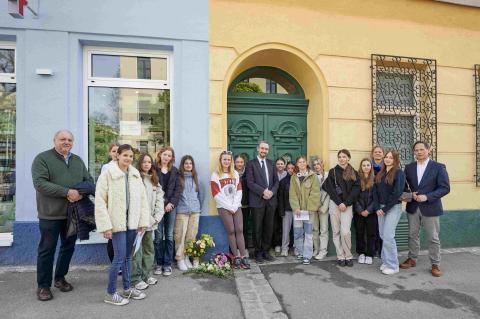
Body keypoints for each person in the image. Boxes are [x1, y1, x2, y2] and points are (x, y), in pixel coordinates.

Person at [32, 130, 93, 301]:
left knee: (68, 248)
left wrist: (80, 193)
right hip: (50, 215)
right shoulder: (42, 159)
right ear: (55, 140)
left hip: (73, 215)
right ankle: (43, 286)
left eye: (70, 140)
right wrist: (67, 192)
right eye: (63, 139)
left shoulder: (77, 160)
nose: (66, 142)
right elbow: (40, 183)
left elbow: (89, 181)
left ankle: (59, 278)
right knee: (46, 250)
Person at [95, 144, 150, 305]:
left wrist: (142, 222)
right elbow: (100, 201)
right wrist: (105, 225)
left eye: (131, 156)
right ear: (117, 155)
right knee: (118, 258)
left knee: (128, 257)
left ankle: (127, 289)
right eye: (125, 155)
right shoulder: (107, 174)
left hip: (132, 223)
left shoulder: (135, 175)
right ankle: (110, 293)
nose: (128, 159)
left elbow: (142, 200)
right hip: (116, 224)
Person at [400, 141, 450, 277]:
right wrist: (411, 195)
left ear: (428, 150)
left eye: (422, 149)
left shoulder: (438, 167)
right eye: (416, 150)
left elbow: (445, 188)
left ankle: (435, 264)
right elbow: (404, 187)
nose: (419, 152)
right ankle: (412, 259)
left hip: (431, 207)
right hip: (413, 207)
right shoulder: (409, 168)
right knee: (412, 235)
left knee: (433, 237)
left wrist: (427, 197)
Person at [211, 151, 250, 269]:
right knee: (231, 231)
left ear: (231, 161)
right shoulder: (215, 175)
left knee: (239, 229)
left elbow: (239, 191)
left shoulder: (235, 174)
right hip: (224, 207)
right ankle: (235, 256)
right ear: (221, 161)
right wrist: (229, 206)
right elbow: (216, 194)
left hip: (236, 206)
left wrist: (235, 205)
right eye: (224, 159)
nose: (226, 162)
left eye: (228, 159)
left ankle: (243, 256)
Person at [132, 153, 165, 290]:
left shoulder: (154, 180)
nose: (147, 164)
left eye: (149, 162)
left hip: (151, 222)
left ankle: (146, 275)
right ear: (139, 163)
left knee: (149, 249)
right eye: (144, 162)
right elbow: (137, 201)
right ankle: (136, 278)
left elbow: (159, 200)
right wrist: (144, 219)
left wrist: (157, 217)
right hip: (139, 223)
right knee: (137, 251)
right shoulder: (135, 178)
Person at [322, 149, 360, 267]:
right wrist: (339, 203)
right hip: (335, 204)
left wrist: (346, 203)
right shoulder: (333, 171)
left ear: (348, 158)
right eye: (340, 156)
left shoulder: (354, 172)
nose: (342, 158)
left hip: (347, 206)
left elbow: (356, 189)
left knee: (345, 232)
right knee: (336, 231)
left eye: (344, 156)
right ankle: (340, 256)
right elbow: (330, 189)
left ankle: (348, 256)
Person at [246, 141, 279, 263]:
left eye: (266, 149)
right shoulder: (251, 164)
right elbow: (250, 183)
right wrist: (263, 192)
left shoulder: (271, 164)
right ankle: (257, 252)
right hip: (257, 201)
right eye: (262, 148)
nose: (264, 151)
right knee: (257, 228)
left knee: (269, 227)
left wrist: (271, 192)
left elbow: (276, 182)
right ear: (258, 149)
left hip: (271, 201)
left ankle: (265, 251)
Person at [373, 150, 405, 275]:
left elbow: (397, 193)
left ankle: (393, 265)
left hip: (393, 208)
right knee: (382, 235)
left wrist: (384, 209)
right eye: (386, 157)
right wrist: (377, 207)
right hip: (380, 208)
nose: (387, 159)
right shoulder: (380, 173)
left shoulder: (399, 173)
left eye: (391, 158)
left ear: (395, 160)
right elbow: (375, 192)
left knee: (388, 236)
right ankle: (386, 262)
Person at [154, 146, 182, 276]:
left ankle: (167, 264)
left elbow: (178, 190)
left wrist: (171, 203)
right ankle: (159, 263)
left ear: (172, 158)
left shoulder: (175, 171)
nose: (166, 157)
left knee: (169, 236)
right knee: (159, 236)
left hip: (171, 207)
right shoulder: (153, 169)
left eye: (169, 155)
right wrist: (162, 204)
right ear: (160, 155)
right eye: (164, 154)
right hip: (157, 207)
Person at [289, 156, 321, 265]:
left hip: (309, 211)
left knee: (308, 233)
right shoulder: (294, 177)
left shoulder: (312, 176)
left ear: (306, 163)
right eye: (299, 162)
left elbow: (315, 193)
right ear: (297, 164)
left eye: (303, 162)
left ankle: (307, 255)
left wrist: (310, 208)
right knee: (298, 232)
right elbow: (292, 193)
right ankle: (300, 252)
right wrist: (296, 207)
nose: (302, 164)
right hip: (298, 211)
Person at [175, 155, 203, 271]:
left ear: (193, 165)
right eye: (186, 163)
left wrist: (197, 207)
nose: (188, 165)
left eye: (190, 163)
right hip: (182, 211)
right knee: (180, 236)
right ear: (182, 165)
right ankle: (180, 258)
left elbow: (201, 195)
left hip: (195, 211)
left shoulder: (196, 179)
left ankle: (187, 256)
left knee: (191, 236)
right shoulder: (178, 178)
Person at [354, 158, 377, 265]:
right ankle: (361, 253)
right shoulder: (356, 179)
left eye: (368, 165)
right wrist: (360, 210)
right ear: (361, 167)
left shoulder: (376, 179)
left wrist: (368, 210)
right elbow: (354, 197)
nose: (366, 167)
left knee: (371, 234)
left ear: (371, 167)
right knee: (360, 233)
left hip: (371, 212)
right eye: (364, 165)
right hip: (359, 212)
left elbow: (376, 197)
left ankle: (370, 254)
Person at [101, 142, 119, 264]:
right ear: (110, 153)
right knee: (112, 238)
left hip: (123, 207)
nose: (116, 153)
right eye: (113, 151)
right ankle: (114, 263)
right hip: (112, 206)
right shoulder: (106, 167)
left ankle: (122, 263)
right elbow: (103, 188)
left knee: (122, 237)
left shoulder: (126, 166)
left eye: (118, 151)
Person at [311, 156, 330, 260]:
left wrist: (323, 207)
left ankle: (323, 251)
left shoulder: (328, 175)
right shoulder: (312, 176)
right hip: (314, 207)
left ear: (322, 164)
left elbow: (330, 193)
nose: (316, 166)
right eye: (314, 165)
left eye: (318, 164)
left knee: (324, 229)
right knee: (314, 229)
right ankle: (316, 249)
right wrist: (314, 205)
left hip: (324, 207)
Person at [277, 162, 295, 257]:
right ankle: (284, 249)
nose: (291, 170)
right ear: (286, 169)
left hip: (298, 210)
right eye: (289, 168)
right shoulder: (283, 181)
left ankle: (297, 248)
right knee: (286, 231)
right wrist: (281, 210)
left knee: (298, 230)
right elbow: (280, 198)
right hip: (287, 210)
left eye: (292, 168)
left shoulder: (299, 180)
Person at [234, 154, 252, 249]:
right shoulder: (231, 173)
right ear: (234, 163)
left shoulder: (248, 172)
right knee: (235, 228)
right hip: (234, 205)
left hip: (246, 204)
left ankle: (245, 248)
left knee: (244, 227)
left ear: (244, 163)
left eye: (241, 162)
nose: (239, 164)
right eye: (237, 162)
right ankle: (235, 248)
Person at [272, 158, 287, 254]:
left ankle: (287, 244)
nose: (280, 165)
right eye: (278, 164)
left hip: (286, 203)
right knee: (275, 224)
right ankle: (276, 244)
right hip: (274, 202)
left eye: (282, 164)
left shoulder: (288, 174)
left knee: (285, 225)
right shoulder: (273, 174)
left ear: (285, 165)